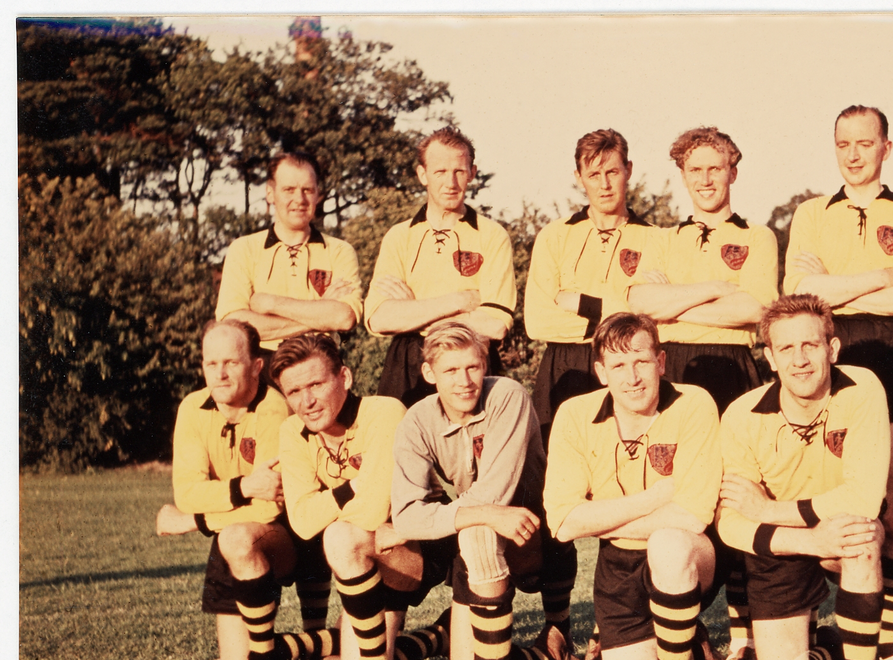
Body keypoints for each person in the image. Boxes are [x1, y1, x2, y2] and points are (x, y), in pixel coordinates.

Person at [783, 106, 893, 660]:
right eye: (843, 143)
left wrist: (832, 286)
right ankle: (813, 631)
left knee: (891, 511)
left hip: (891, 359)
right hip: (823, 360)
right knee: (817, 501)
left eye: (865, 143)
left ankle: (890, 648)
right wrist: (880, 277)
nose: (853, 154)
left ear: (886, 148)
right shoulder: (810, 213)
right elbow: (799, 294)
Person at [627, 126, 778, 660]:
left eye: (716, 168)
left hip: (734, 367)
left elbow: (756, 308)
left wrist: (678, 304)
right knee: (675, 491)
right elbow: (641, 303)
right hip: (677, 370)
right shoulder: (662, 239)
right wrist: (717, 287)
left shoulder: (758, 237)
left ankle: (745, 642)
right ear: (683, 176)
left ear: (733, 171)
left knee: (738, 495)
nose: (706, 179)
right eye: (696, 170)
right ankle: (684, 636)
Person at [718, 294, 892, 660]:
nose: (799, 359)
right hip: (785, 546)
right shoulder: (741, 414)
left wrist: (769, 509)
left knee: (862, 535)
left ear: (832, 349)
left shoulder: (863, 388)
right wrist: (809, 539)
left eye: (810, 345)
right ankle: (833, 647)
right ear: (770, 357)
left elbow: (864, 498)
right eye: (786, 348)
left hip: (834, 530)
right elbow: (730, 522)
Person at [390, 323, 579, 660]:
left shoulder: (506, 395)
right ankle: (442, 639)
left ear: (485, 365)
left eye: (473, 367)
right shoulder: (417, 420)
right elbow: (405, 515)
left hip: (536, 529)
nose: (464, 381)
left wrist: (470, 515)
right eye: (451, 370)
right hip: (481, 532)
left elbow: (496, 493)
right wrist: (478, 515)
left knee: (477, 532)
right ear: (429, 374)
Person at [544, 313, 724, 660]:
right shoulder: (575, 413)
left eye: (642, 361)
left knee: (669, 542)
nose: (632, 377)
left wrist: (596, 520)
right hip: (619, 561)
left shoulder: (693, 403)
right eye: (619, 365)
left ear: (661, 361)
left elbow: (693, 515)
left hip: (688, 554)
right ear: (601, 372)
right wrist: (655, 497)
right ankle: (687, 639)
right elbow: (562, 523)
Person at [272, 333, 456, 660]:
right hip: (367, 553)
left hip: (419, 545)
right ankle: (438, 636)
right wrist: (352, 487)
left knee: (339, 536)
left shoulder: (383, 412)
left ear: (345, 377)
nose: (307, 401)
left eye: (316, 384)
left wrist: (334, 503)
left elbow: (372, 510)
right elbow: (302, 521)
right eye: (293, 392)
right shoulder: (292, 432)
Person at [155, 320, 337, 660]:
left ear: (256, 366)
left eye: (231, 363)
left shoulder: (274, 408)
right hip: (237, 529)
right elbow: (187, 494)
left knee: (237, 536)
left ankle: (313, 641)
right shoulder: (192, 408)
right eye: (211, 363)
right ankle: (327, 642)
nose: (219, 374)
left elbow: (270, 507)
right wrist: (246, 487)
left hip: (292, 534)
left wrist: (193, 521)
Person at [524, 129, 664, 444]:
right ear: (579, 177)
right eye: (594, 175)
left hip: (627, 364)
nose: (604, 184)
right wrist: (622, 313)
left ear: (628, 170)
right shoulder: (555, 236)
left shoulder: (657, 239)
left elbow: (656, 317)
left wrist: (583, 304)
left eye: (612, 172)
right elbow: (537, 321)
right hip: (564, 365)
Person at [364, 127, 517, 407]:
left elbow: (495, 325)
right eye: (440, 172)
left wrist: (413, 313)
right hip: (408, 364)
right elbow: (379, 319)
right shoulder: (399, 236)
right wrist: (460, 301)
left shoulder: (492, 235)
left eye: (459, 171)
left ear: (472, 173)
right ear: (422, 174)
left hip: (469, 362)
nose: (451, 182)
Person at [215, 151, 363, 364]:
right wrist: (321, 314)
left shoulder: (340, 251)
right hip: (261, 367)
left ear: (318, 194)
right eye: (289, 190)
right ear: (270, 193)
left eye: (307, 190)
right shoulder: (243, 249)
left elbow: (344, 317)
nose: (299, 199)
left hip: (319, 364)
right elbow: (234, 325)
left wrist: (270, 303)